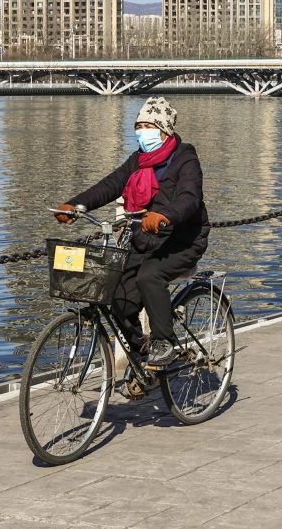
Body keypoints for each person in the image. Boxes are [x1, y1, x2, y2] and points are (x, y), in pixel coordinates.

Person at [56, 97, 208, 367]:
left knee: (150, 276)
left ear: (164, 130)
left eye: (148, 126)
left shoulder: (185, 159)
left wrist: (165, 215)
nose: (142, 132)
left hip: (182, 240)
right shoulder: (138, 160)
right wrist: (76, 205)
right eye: (138, 126)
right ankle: (141, 354)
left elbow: (189, 198)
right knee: (118, 295)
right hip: (146, 240)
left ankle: (164, 342)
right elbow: (110, 185)